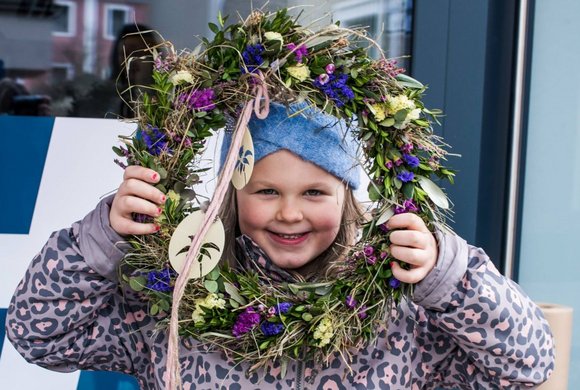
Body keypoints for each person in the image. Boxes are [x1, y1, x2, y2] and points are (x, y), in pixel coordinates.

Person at [6, 101, 554, 389]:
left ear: (348, 198)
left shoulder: (398, 310)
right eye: (266, 191)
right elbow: (40, 334)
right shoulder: (174, 299)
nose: (289, 212)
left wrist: (448, 275)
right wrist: (102, 238)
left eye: (314, 191)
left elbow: (527, 364)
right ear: (231, 195)